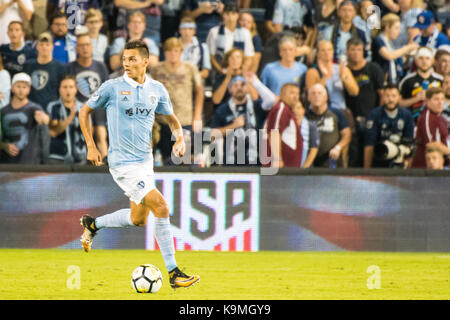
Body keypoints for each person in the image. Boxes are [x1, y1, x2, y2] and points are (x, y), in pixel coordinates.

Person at [78, 39, 200, 288]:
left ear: (146, 61)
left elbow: (172, 120)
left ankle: (93, 224)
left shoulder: (157, 89)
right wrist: (91, 145)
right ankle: (174, 273)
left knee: (138, 219)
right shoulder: (112, 87)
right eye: (124, 59)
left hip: (145, 162)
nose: (127, 63)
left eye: (132, 59)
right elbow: (84, 111)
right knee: (161, 207)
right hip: (122, 163)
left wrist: (179, 140)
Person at [150, 37, 204, 164]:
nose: (173, 54)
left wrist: (197, 116)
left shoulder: (190, 68)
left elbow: (200, 91)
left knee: (185, 157)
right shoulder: (156, 69)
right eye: (170, 51)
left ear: (181, 52)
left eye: (176, 51)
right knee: (165, 157)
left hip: (185, 119)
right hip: (163, 119)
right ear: (165, 53)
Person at [212, 74, 277, 165]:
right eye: (235, 85)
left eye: (243, 84)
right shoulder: (223, 109)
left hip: (256, 160)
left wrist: (255, 82)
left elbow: (272, 101)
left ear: (247, 88)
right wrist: (233, 126)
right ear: (230, 89)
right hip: (232, 162)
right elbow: (212, 135)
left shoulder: (256, 105)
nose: (239, 88)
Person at [66, 32, 109, 161]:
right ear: (77, 48)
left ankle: (105, 161)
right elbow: (68, 88)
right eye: (81, 45)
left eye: (87, 45)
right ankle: (87, 160)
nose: (85, 48)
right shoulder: (70, 67)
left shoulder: (100, 66)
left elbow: (107, 90)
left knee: (101, 132)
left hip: (98, 106)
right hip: (80, 107)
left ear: (91, 47)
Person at [345, 37, 385, 167]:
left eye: (359, 49)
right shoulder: (344, 71)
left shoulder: (373, 68)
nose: (356, 52)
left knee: (371, 153)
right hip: (351, 118)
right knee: (354, 155)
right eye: (352, 49)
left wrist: (379, 114)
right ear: (347, 51)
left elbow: (382, 94)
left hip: (371, 117)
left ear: (363, 51)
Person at [0, 72, 49, 164]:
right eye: (18, 86)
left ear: (29, 90)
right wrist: (4, 146)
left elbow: (45, 121)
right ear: (12, 88)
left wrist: (45, 120)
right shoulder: (3, 111)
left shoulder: (34, 109)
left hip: (29, 162)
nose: (21, 90)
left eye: (24, 87)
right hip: (6, 163)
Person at [364, 84, 415, 169]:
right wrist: (367, 171)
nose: (390, 99)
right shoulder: (375, 114)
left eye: (394, 96)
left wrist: (407, 169)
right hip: (379, 158)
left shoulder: (407, 115)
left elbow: (410, 144)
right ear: (383, 97)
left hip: (400, 157)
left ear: (399, 97)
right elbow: (369, 144)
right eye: (387, 96)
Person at [305, 83, 351, 168]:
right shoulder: (304, 116)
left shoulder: (336, 113)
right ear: (308, 97)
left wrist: (338, 148)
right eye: (313, 93)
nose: (316, 96)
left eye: (320, 93)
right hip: (310, 162)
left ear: (326, 97)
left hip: (332, 161)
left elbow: (347, 134)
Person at [305, 40, 359, 111]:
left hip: (340, 109)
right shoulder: (312, 72)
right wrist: (324, 77)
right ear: (317, 53)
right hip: (322, 111)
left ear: (333, 52)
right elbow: (311, 97)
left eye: (329, 50)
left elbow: (355, 92)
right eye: (323, 50)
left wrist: (343, 78)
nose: (326, 53)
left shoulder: (342, 69)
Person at [46, 75, 86, 165]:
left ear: (76, 90)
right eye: (64, 87)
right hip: (57, 157)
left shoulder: (83, 108)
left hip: (79, 156)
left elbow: (89, 133)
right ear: (59, 90)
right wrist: (71, 116)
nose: (68, 90)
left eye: (71, 87)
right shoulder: (53, 107)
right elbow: (53, 132)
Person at [23, 32, 66, 112]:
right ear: (37, 47)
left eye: (47, 45)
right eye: (41, 44)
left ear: (52, 47)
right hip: (30, 111)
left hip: (52, 111)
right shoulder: (28, 65)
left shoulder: (60, 67)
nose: (44, 47)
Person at [206, 2, 254, 74]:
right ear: (223, 15)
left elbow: (249, 57)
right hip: (220, 72)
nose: (230, 17)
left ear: (238, 15)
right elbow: (211, 57)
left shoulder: (245, 33)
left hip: (239, 72)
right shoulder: (214, 32)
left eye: (233, 14)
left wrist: (239, 72)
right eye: (227, 14)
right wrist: (222, 71)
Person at [371, 13, 419, 84]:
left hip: (393, 80)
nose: (398, 31)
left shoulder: (390, 43)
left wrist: (407, 55)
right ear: (387, 27)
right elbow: (389, 56)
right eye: (396, 28)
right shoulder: (378, 40)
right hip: (381, 80)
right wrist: (408, 47)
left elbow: (397, 61)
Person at [399, 46, 443, 121]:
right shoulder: (407, 81)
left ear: (432, 61)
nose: (424, 61)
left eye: (427, 58)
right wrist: (416, 99)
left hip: (437, 120)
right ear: (415, 60)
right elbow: (399, 103)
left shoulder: (440, 79)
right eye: (421, 58)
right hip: (413, 121)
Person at [412, 87, 448, 168]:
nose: (440, 102)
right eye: (436, 99)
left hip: (441, 165)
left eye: (442, 99)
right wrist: (449, 153)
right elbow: (431, 144)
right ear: (427, 101)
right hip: (425, 168)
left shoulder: (442, 119)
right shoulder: (427, 117)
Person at [292, 98, 319, 168]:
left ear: (303, 110)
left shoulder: (311, 126)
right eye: (293, 108)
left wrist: (305, 167)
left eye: (298, 108)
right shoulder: (286, 125)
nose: (295, 111)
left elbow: (314, 148)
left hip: (306, 167)